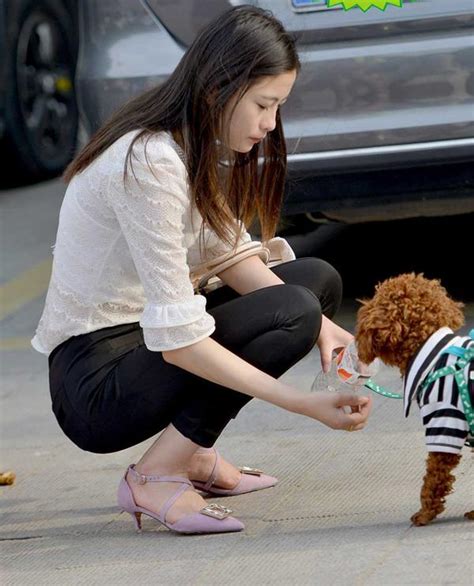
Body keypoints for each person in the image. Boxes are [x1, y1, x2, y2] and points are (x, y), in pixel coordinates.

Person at [32, 6, 372, 535]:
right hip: (96, 381)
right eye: (264, 105)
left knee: (314, 285)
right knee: (291, 311)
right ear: (219, 88)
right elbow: (180, 342)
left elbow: (230, 254)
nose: (270, 124)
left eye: (278, 107)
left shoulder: (185, 144)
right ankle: (156, 476)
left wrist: (324, 330)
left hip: (140, 348)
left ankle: (187, 455)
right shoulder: (150, 159)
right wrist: (305, 404)